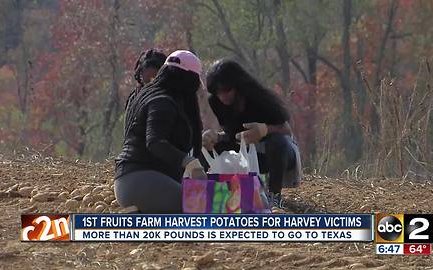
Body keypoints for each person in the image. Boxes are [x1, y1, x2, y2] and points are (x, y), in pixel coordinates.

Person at [114, 50, 207, 213]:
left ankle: (141, 215)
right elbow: (155, 142)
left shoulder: (148, 95)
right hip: (142, 180)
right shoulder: (162, 102)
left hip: (131, 182)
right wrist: (187, 161)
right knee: (202, 207)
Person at [203, 59, 301, 211]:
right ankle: (212, 191)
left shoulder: (258, 97)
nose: (223, 96)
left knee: (277, 142)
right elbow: (230, 134)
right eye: (218, 92)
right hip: (246, 152)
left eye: (227, 90)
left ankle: (275, 196)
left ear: (237, 86)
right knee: (210, 146)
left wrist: (264, 130)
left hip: (276, 151)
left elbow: (286, 129)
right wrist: (216, 137)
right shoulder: (216, 102)